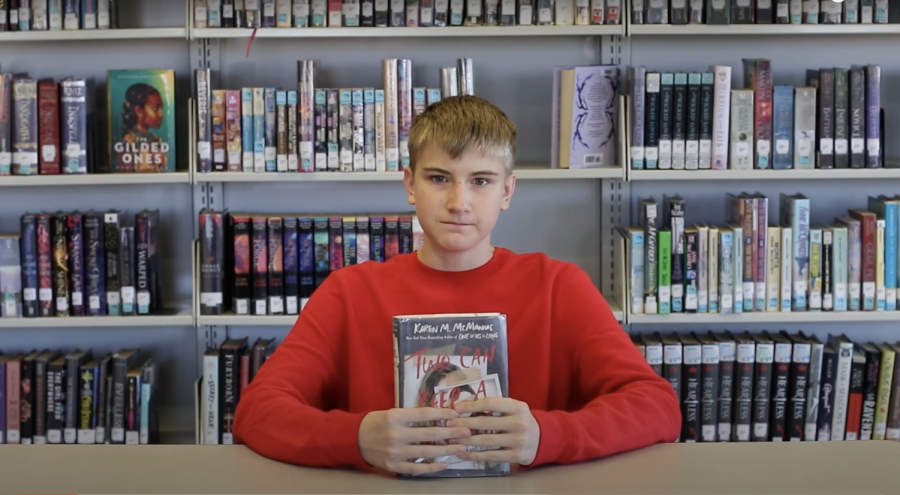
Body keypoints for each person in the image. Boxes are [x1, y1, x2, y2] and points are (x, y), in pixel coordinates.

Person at [232, 95, 681, 476]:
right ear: (410, 184)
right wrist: (356, 438)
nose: (458, 202)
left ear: (507, 192)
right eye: (439, 178)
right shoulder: (349, 292)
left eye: (481, 181)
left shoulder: (558, 286)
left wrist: (548, 435)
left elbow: (657, 406)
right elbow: (257, 412)